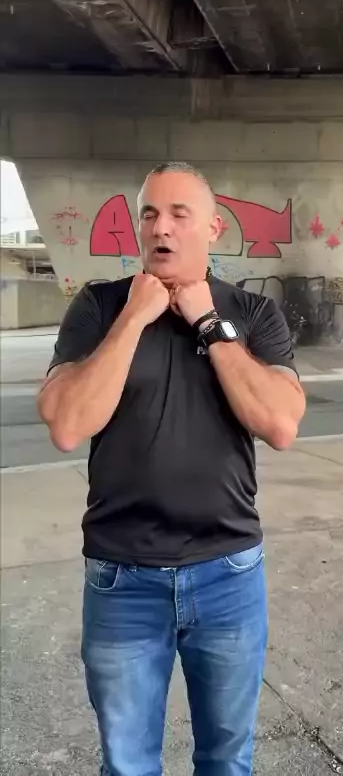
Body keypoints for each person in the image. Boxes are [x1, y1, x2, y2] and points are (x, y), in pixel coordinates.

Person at [37, 162, 305, 776]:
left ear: (213, 228)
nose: (161, 227)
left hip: (228, 573)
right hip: (122, 579)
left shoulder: (253, 312)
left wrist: (208, 323)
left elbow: (280, 424)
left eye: (180, 214)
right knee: (127, 764)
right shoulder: (101, 306)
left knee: (226, 760)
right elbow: (68, 424)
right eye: (150, 214)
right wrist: (135, 317)